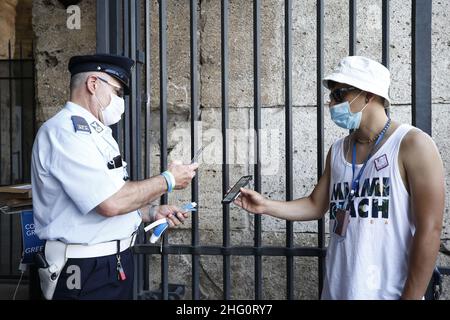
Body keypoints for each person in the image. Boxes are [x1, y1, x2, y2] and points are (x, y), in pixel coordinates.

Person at [234, 56, 445, 300]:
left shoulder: (412, 144)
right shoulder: (338, 149)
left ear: (369, 95)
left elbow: (430, 229)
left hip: (388, 293)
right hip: (337, 291)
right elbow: (315, 205)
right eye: (332, 95)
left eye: (339, 94)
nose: (332, 103)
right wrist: (265, 206)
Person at [31, 53, 199, 300]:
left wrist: (149, 213)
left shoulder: (97, 134)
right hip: (84, 268)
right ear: (93, 84)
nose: (120, 100)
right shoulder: (66, 132)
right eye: (118, 91)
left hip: (111, 263)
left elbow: (106, 197)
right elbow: (109, 203)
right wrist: (168, 180)